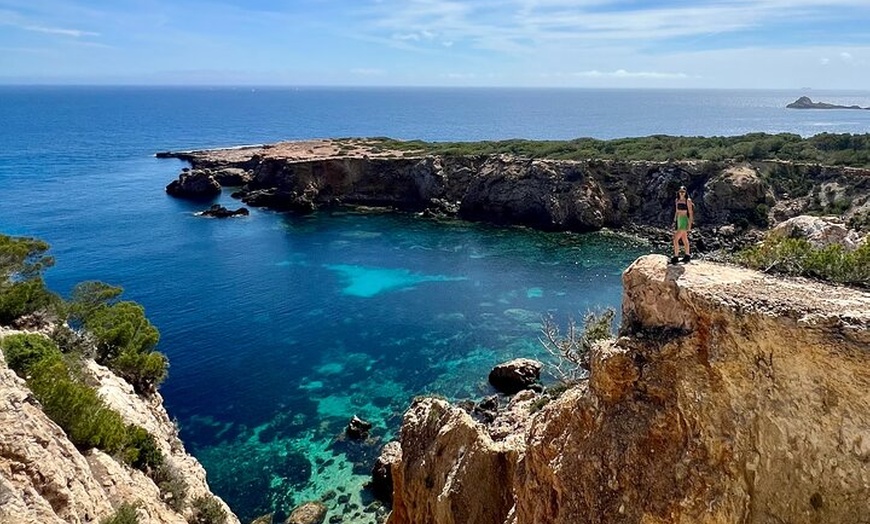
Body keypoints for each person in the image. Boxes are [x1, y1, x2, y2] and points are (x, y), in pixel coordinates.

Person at [671, 185, 694, 264]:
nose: (681, 193)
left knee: (675, 239)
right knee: (684, 239)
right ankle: (687, 255)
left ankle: (676, 257)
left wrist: (690, 225)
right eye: (680, 191)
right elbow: (676, 211)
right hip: (679, 220)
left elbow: (690, 213)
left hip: (684, 220)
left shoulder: (688, 200)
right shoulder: (677, 200)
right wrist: (674, 221)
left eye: (683, 192)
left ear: (685, 192)